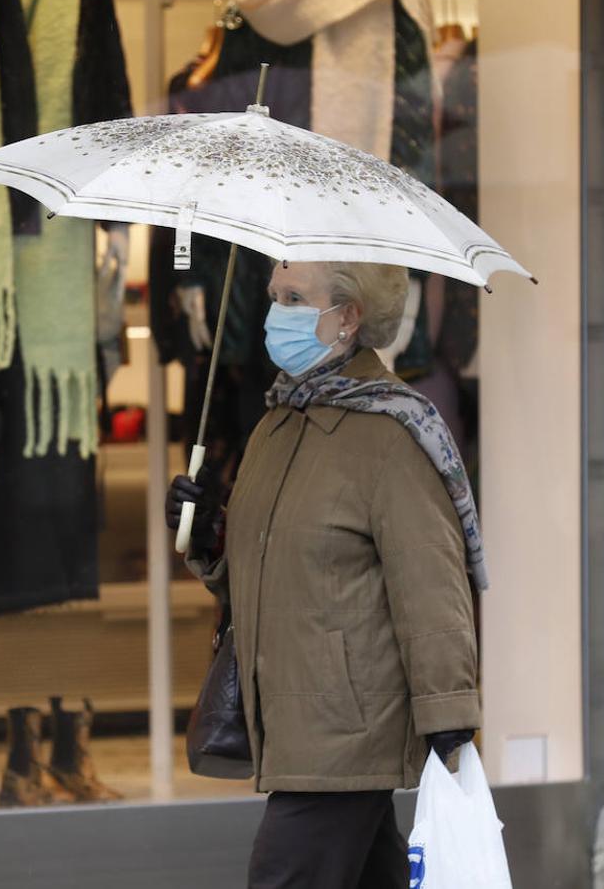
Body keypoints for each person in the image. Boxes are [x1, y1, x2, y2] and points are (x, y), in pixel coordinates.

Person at [167, 260, 485, 889]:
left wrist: (448, 711)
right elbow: (267, 575)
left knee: (282, 875)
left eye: (293, 298)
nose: (274, 313)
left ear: (348, 317)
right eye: (273, 296)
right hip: (290, 715)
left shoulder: (392, 431)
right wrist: (206, 536)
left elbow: (432, 584)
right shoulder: (276, 423)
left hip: (347, 726)